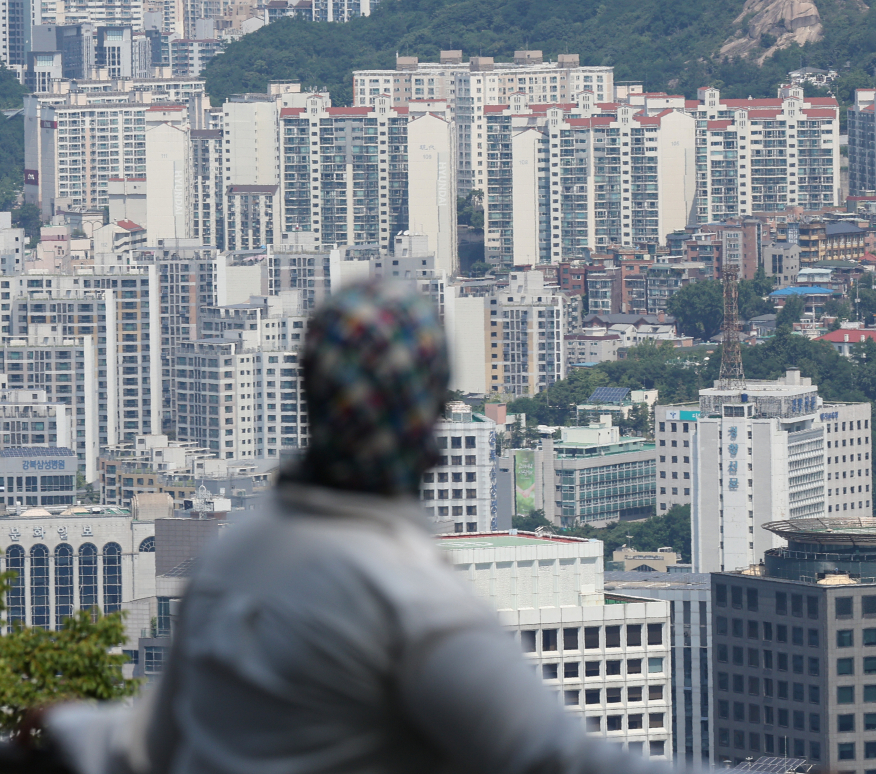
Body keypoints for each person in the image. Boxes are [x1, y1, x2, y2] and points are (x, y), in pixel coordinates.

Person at [44, 280, 670, 774]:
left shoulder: (233, 558)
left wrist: (63, 725)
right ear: (426, 422)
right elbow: (558, 760)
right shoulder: (409, 601)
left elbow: (155, 740)